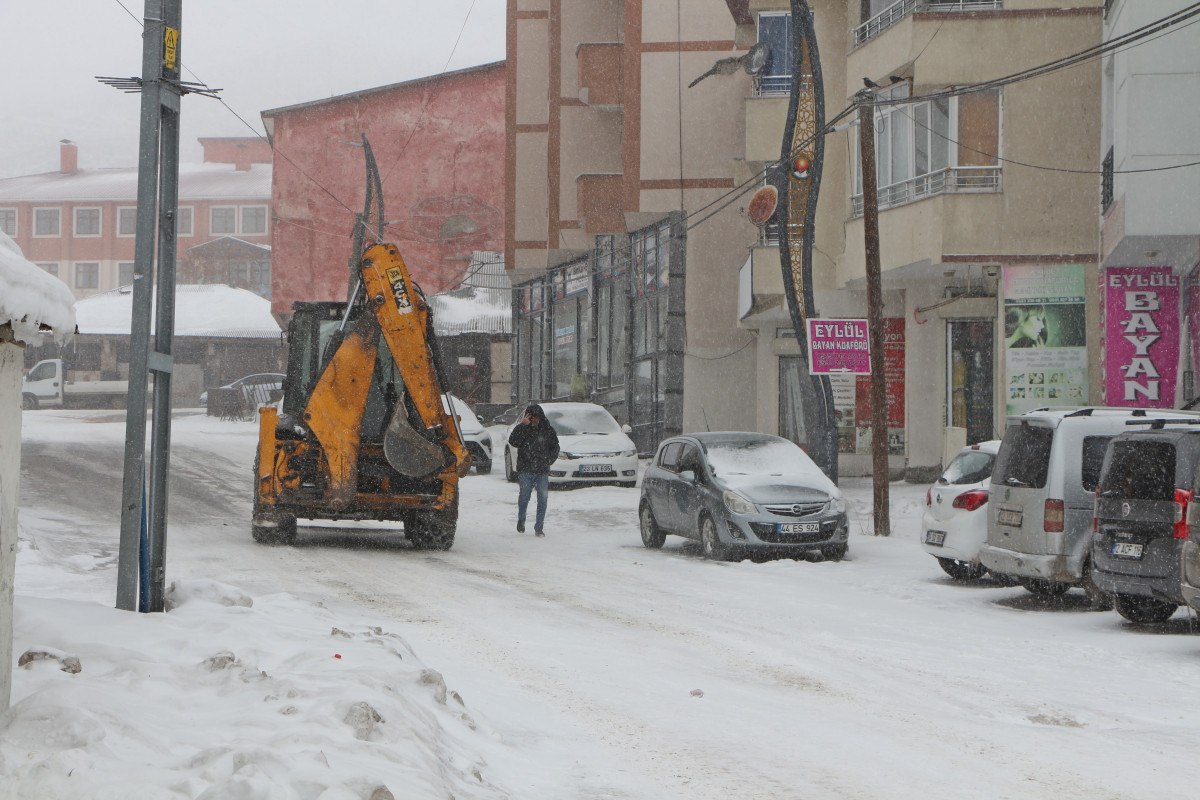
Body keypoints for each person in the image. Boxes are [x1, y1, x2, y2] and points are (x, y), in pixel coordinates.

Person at [508, 404, 560, 536]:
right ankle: (521, 519)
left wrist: (549, 460)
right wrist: (522, 426)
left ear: (541, 417)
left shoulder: (548, 430)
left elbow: (555, 447)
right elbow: (513, 441)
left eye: (536, 417)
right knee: (524, 497)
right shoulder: (524, 429)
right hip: (526, 469)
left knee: (543, 499)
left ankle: (539, 528)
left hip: (542, 470)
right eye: (531, 418)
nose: (534, 420)